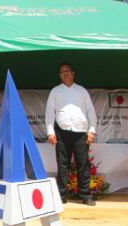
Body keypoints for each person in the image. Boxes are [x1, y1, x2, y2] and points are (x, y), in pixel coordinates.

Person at [45, 62, 98, 205]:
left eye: (67, 71)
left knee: (83, 164)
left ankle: (85, 195)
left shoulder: (82, 91)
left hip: (81, 133)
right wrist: (50, 132)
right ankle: (61, 195)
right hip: (62, 133)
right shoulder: (55, 91)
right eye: (62, 72)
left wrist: (92, 130)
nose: (65, 73)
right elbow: (50, 112)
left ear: (73, 73)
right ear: (59, 75)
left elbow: (91, 111)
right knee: (62, 164)